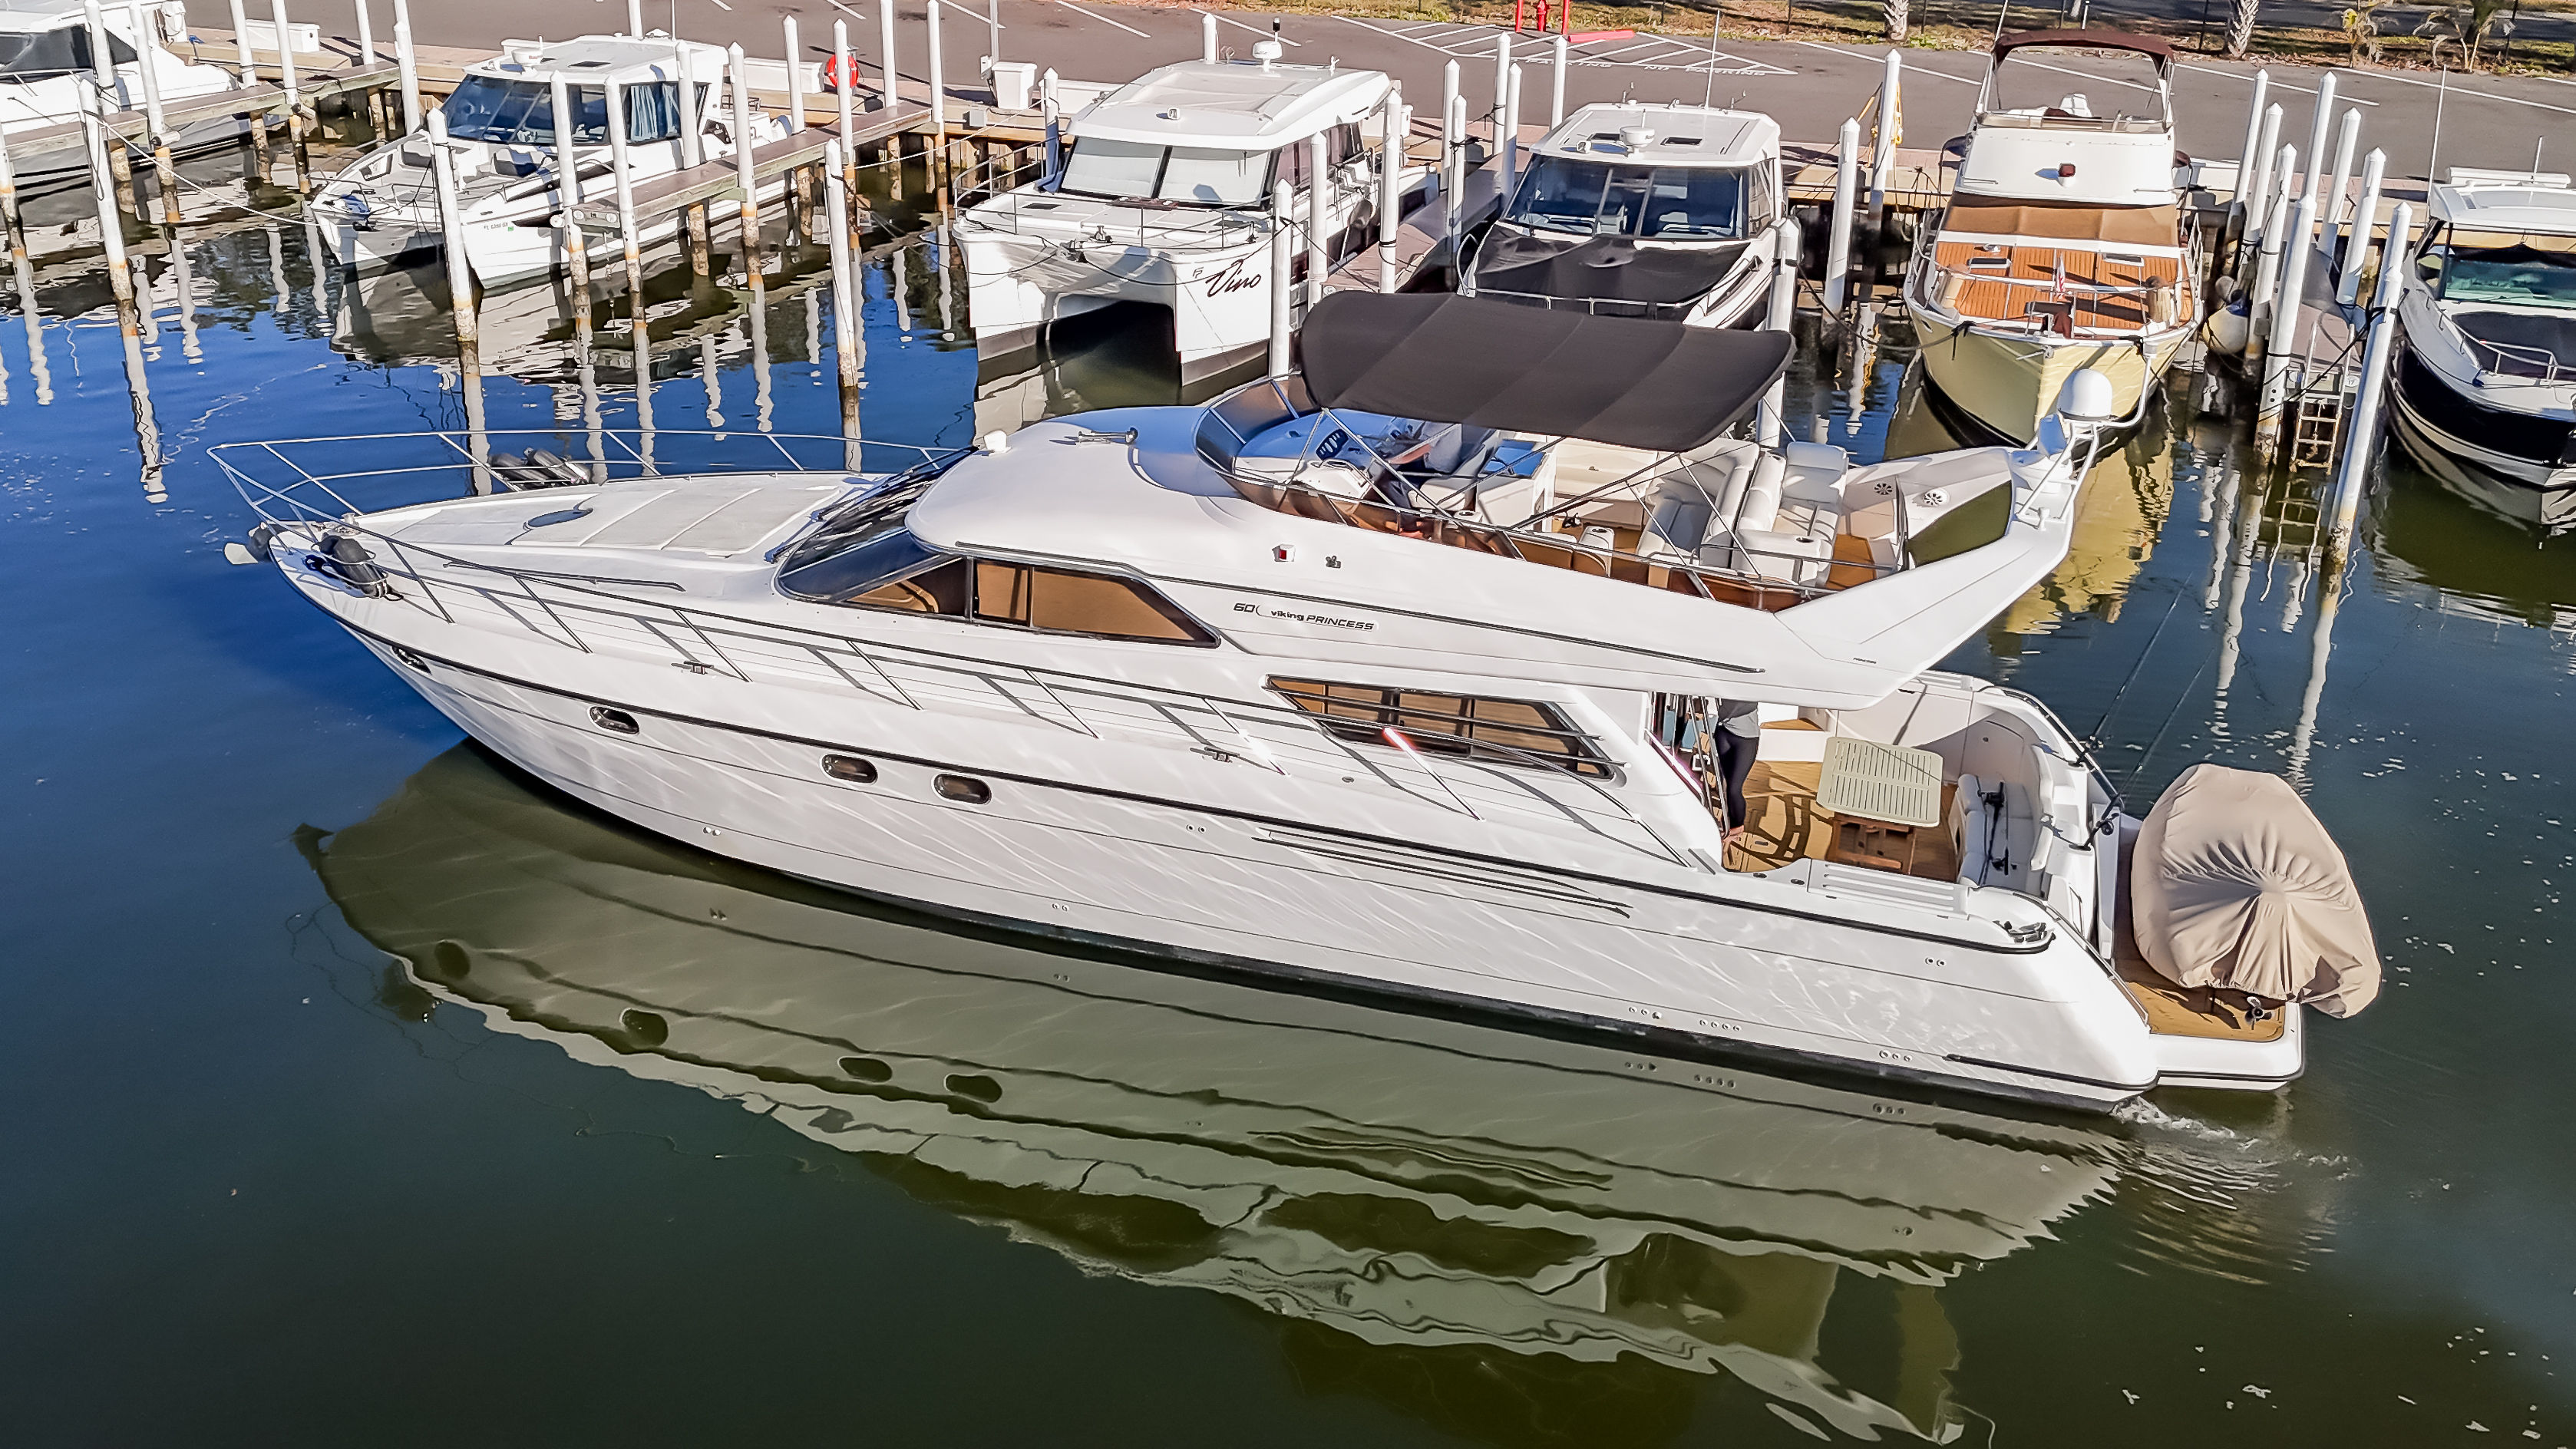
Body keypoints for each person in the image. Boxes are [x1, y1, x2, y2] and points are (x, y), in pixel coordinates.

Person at [1708, 698, 1762, 843]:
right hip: (1723, 731)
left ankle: (1737, 827)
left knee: (1734, 788)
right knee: (1727, 785)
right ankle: (1728, 820)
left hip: (1746, 740)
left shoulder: (1752, 686)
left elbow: (1739, 709)